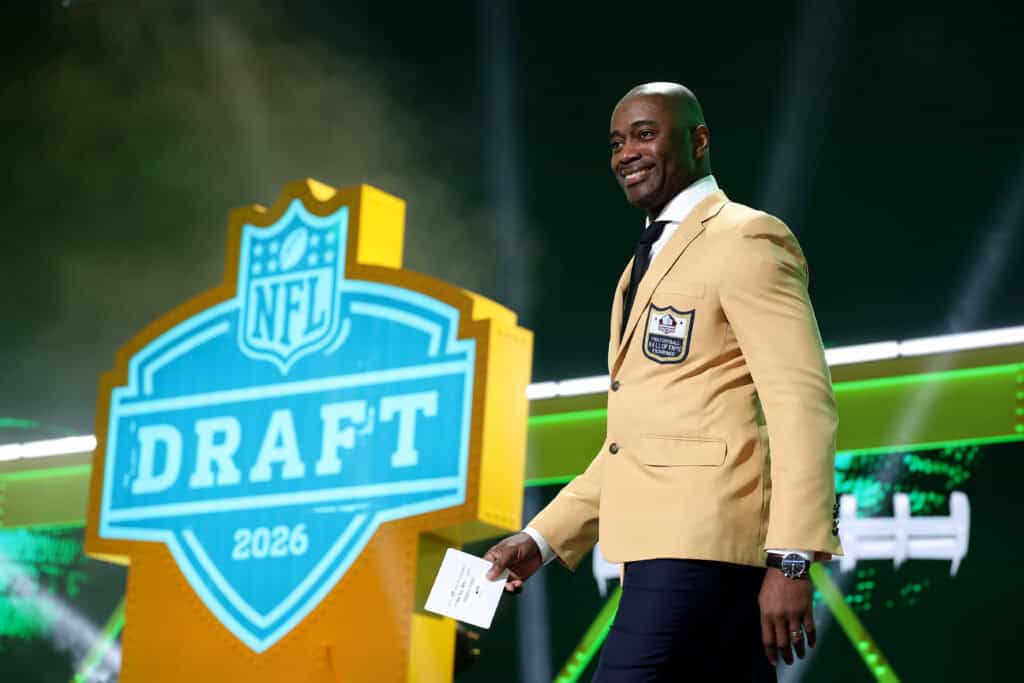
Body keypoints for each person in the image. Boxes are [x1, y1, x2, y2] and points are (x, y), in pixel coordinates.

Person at [484, 82, 842, 681]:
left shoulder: (748, 238)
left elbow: (801, 403)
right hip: (666, 558)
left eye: (645, 134)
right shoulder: (639, 267)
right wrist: (542, 540)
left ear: (698, 140)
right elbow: (636, 445)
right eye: (617, 142)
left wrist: (793, 559)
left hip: (698, 553)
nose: (626, 153)